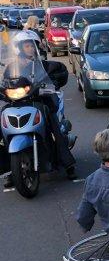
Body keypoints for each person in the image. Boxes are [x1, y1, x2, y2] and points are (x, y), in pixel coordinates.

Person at [2, 34, 76, 187]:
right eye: (26, 46)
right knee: (2, 124)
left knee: (53, 126)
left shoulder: (41, 65)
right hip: (17, 103)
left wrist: (51, 84)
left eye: (31, 45)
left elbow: (55, 75)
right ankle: (10, 169)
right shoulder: (12, 67)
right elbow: (5, 83)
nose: (29, 48)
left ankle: (68, 164)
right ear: (20, 48)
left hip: (38, 101)